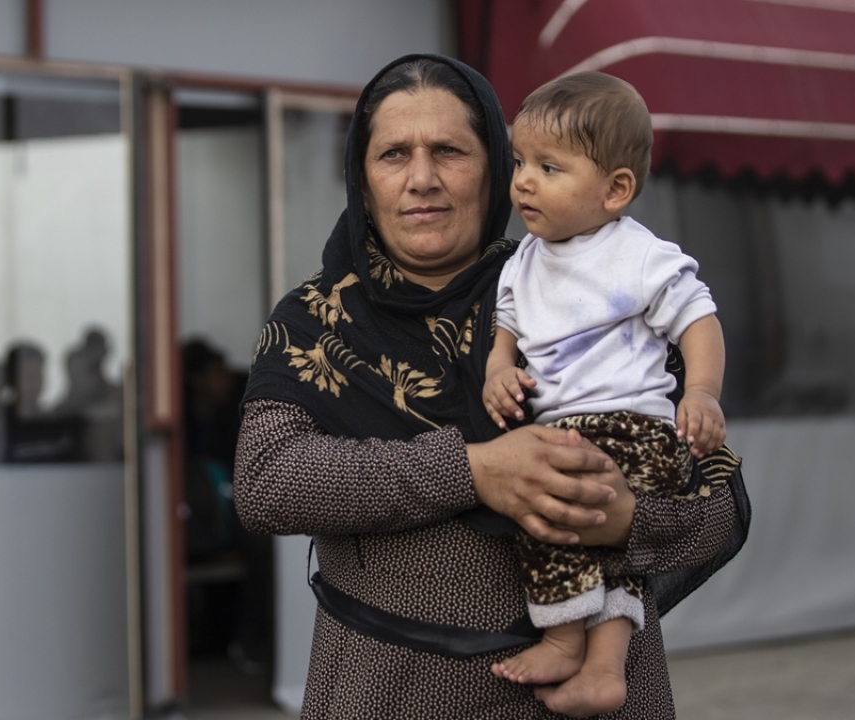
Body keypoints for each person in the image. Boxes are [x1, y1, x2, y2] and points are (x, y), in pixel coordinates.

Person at [234, 53, 748, 719]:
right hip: (388, 697)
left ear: (499, 168)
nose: (422, 178)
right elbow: (268, 482)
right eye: (394, 154)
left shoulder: (587, 288)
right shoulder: (318, 323)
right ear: (363, 180)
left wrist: (625, 517)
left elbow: (719, 507)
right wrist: (472, 470)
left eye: (450, 150)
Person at [483, 72, 726, 715]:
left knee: (567, 519)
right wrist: (497, 372)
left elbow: (698, 318)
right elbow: (505, 331)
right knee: (563, 518)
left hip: (635, 425)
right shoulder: (524, 262)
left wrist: (701, 393)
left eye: (549, 167)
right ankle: (602, 669)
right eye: (520, 162)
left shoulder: (637, 254)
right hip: (564, 425)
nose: (524, 180)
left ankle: (568, 642)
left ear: (615, 189)